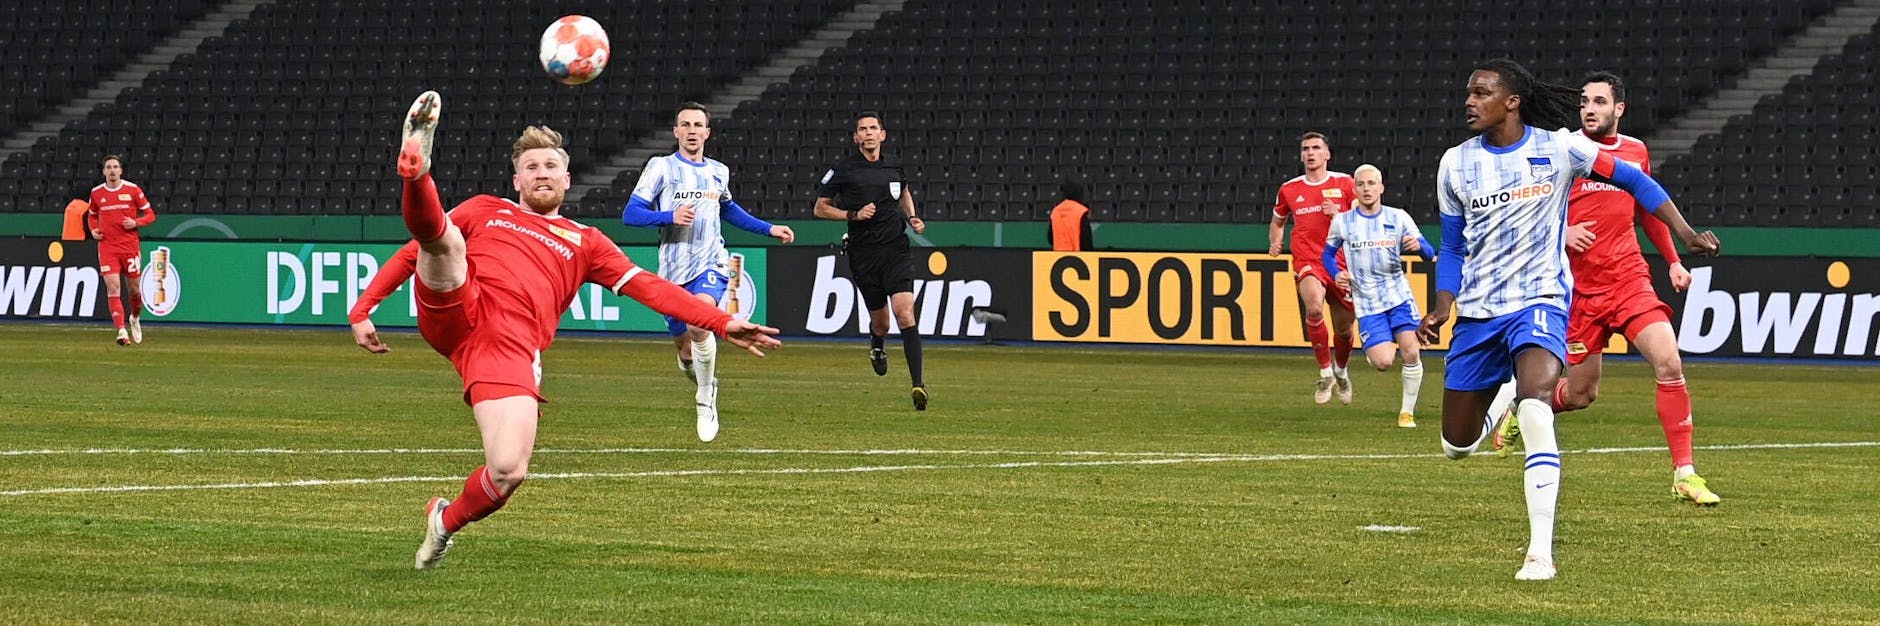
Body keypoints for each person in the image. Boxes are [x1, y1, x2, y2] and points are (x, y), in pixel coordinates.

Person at [362, 91, 781, 570]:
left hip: (508, 349)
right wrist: (364, 307)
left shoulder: (587, 242)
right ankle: (416, 172)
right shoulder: (485, 209)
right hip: (457, 308)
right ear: (517, 179)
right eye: (532, 167)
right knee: (443, 243)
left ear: (567, 178)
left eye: (550, 167)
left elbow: (649, 287)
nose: (541, 173)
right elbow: (415, 249)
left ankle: (444, 521)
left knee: (507, 472)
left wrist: (722, 321)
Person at [1420, 59, 1718, 581]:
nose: (1468, 101)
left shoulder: (1559, 147)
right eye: (1468, 92)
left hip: (1542, 301)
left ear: (1511, 101)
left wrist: (1684, 236)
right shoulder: (1455, 164)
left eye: (1481, 92)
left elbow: (1635, 183)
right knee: (1456, 446)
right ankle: (1498, 409)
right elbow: (1451, 246)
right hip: (1479, 313)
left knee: (1540, 403)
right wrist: (1444, 303)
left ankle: (1540, 553)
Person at [1483, 72, 1720, 506]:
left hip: (1628, 279)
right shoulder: (1563, 151)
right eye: (1584, 103)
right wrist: (1564, 231)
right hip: (1575, 292)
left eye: (1598, 102)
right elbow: (1527, 211)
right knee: (1580, 394)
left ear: (1618, 109)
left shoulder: (1635, 152)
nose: (1589, 109)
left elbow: (1647, 208)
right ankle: (1521, 406)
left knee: (1668, 361)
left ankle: (1685, 472)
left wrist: (1672, 260)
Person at [621, 102, 795, 443]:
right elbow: (631, 214)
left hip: (711, 263)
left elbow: (729, 211)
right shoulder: (660, 168)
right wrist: (667, 217)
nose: (691, 130)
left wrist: (769, 228)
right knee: (686, 352)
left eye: (697, 125)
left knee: (700, 324)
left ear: (707, 132)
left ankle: (704, 400)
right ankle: (702, 377)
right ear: (676, 131)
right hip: (672, 271)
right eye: (684, 124)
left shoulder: (719, 171)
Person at [812, 111, 930, 410]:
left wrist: (912, 216)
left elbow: (903, 191)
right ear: (856, 137)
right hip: (864, 254)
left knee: (905, 313)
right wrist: (851, 215)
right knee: (882, 323)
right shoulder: (844, 170)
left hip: (896, 250)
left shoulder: (894, 166)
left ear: (882, 134)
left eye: (873, 128)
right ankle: (877, 345)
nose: (868, 133)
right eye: (862, 129)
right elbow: (820, 208)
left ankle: (918, 385)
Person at [1322, 164, 1433, 429]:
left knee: (1410, 351)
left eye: (1372, 183)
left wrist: (1419, 247)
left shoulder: (1399, 217)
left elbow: (1429, 252)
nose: (1366, 188)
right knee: (1383, 362)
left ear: (1381, 188)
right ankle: (1377, 346)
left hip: (1398, 296)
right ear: (1355, 189)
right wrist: (1336, 273)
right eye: (1361, 184)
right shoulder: (1343, 222)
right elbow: (1327, 255)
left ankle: (1407, 413)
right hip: (1367, 302)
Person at [1269, 132, 1357, 405]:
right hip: (1308, 259)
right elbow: (1278, 221)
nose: (1310, 153)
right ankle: (1324, 372)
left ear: (1327, 154)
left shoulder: (1345, 183)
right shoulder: (1289, 189)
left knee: (1344, 330)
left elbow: (1363, 219)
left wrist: (1339, 216)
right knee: (1314, 308)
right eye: (1306, 149)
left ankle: (1341, 371)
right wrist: (1275, 240)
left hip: (1342, 263)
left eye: (1316, 148)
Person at [86, 154, 156, 345]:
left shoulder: (132, 190)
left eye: (115, 167)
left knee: (134, 291)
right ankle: (121, 331)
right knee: (113, 287)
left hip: (130, 246)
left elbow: (150, 215)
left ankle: (134, 317)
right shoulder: (96, 193)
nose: (112, 170)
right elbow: (91, 216)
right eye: (108, 167)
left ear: (121, 170)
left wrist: (136, 222)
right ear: (103, 171)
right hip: (108, 246)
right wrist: (93, 230)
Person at [1047, 177, 1092, 251]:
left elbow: (1050, 239)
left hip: (1058, 258)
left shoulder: (1055, 211)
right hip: (1078, 258)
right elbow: (1086, 240)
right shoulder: (1081, 211)